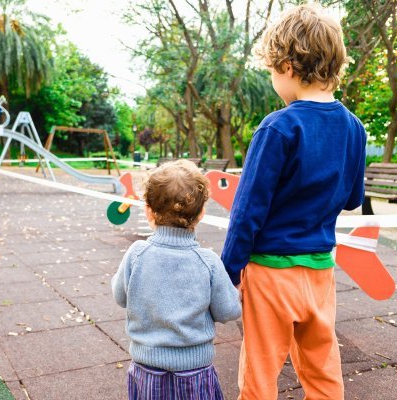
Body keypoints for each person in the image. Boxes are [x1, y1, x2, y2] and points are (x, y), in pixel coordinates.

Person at [221, 4, 366, 400]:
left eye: (270, 70)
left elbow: (247, 212)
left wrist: (227, 272)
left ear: (286, 65)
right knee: (321, 365)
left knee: (261, 370)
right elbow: (353, 199)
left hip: (271, 272)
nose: (272, 78)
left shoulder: (279, 126)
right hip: (320, 270)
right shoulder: (354, 127)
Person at [112, 159, 241, 400]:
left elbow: (120, 296)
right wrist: (237, 291)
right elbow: (228, 311)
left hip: (147, 369)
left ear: (148, 210)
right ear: (202, 213)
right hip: (195, 372)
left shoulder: (136, 254)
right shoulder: (208, 262)